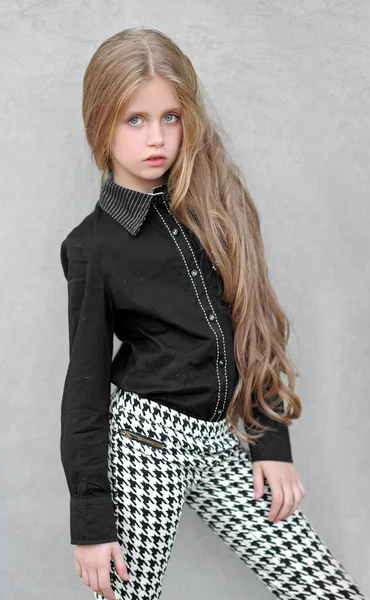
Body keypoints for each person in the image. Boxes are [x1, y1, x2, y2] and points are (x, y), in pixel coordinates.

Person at [59, 27, 367, 600]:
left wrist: (270, 442)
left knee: (324, 589)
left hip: (224, 437)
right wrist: (92, 524)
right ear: (100, 122)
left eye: (170, 117)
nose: (157, 138)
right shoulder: (92, 247)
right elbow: (83, 389)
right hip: (144, 445)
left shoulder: (215, 210)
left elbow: (255, 326)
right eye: (135, 119)